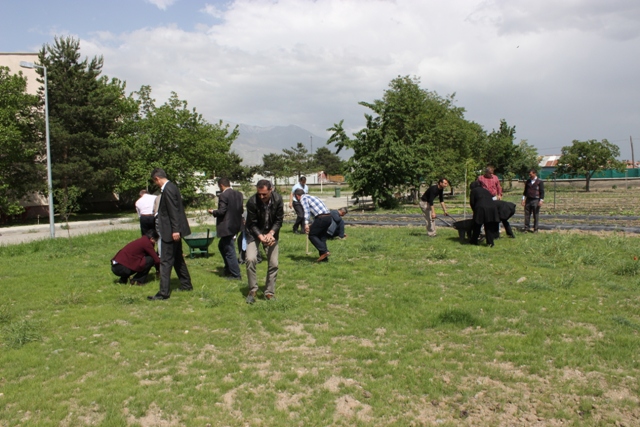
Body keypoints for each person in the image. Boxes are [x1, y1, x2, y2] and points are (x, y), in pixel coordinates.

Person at [148, 168, 193, 300]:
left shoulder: (168, 189)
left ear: (157, 178)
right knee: (178, 259)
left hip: (170, 232)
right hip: (173, 230)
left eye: (154, 181)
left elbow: (174, 211)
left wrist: (175, 230)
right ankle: (186, 284)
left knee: (166, 262)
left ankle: (163, 293)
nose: (156, 184)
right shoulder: (172, 187)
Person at [245, 180, 284, 303]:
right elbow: (251, 223)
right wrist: (261, 237)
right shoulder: (252, 202)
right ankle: (252, 290)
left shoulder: (278, 199)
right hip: (254, 233)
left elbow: (279, 220)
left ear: (271, 190)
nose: (261, 197)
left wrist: (271, 234)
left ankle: (269, 292)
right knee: (250, 259)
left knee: (273, 263)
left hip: (271, 232)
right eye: (259, 194)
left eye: (264, 194)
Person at [208, 178, 244, 280]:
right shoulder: (239, 194)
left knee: (229, 250)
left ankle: (235, 274)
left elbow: (222, 211)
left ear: (221, 185)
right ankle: (228, 267)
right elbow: (241, 209)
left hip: (227, 226)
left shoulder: (223, 195)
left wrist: (213, 212)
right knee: (222, 246)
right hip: (236, 224)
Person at [294, 188, 332, 262]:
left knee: (312, 235)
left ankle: (324, 251)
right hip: (328, 217)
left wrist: (306, 224)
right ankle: (324, 258)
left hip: (322, 218)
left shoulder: (303, 199)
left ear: (297, 196)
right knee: (322, 237)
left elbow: (306, 211)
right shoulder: (312, 197)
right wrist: (312, 223)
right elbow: (315, 212)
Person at [469, 181, 500, 247]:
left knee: (477, 225)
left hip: (481, 208)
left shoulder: (474, 191)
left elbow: (472, 202)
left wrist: (475, 211)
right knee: (489, 226)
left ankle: (474, 241)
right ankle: (490, 243)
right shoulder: (486, 190)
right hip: (492, 208)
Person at [522, 169, 545, 233]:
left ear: (534, 174)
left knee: (536, 215)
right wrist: (523, 199)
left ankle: (535, 229)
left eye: (531, 174)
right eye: (529, 174)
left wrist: (541, 200)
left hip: (536, 199)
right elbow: (525, 191)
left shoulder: (539, 182)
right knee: (527, 214)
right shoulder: (528, 181)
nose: (530, 175)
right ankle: (526, 228)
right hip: (528, 200)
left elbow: (542, 192)